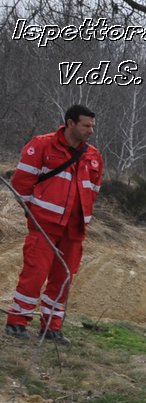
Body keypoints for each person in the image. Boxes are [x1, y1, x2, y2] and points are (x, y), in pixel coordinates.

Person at [6, 105, 102, 342]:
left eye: (92, 126)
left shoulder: (93, 156)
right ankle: (17, 322)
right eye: (86, 125)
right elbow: (21, 184)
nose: (91, 131)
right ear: (70, 124)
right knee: (35, 275)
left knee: (63, 279)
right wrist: (34, 213)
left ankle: (52, 327)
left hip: (75, 230)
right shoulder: (42, 145)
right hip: (45, 225)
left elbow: (94, 191)